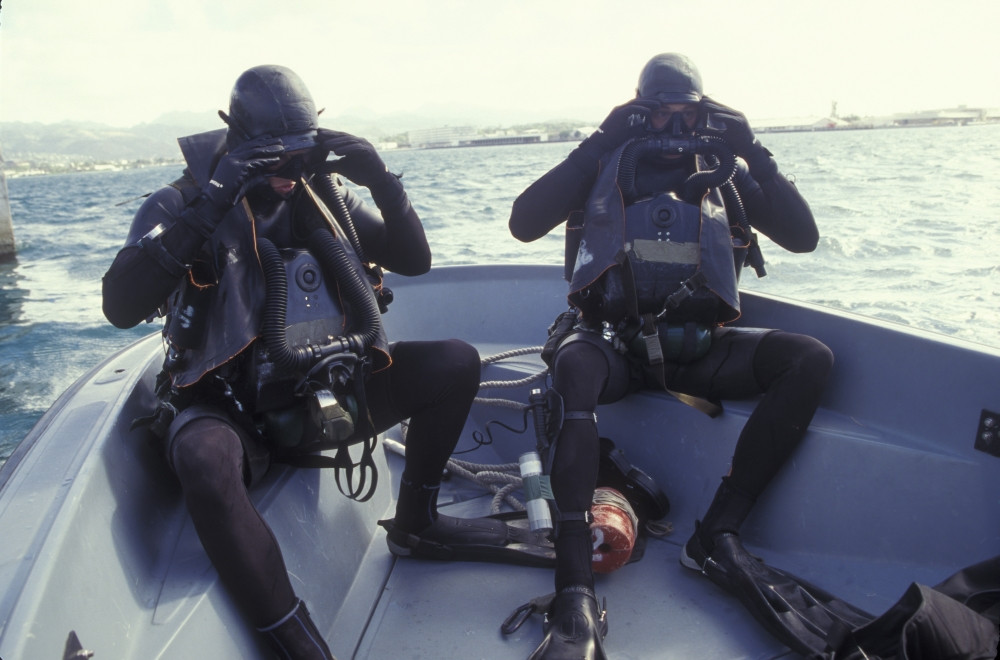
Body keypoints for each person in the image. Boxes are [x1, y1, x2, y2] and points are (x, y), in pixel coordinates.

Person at [102, 65, 504, 659]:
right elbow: (120, 305)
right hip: (233, 412)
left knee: (454, 364)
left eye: (300, 155)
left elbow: (415, 259)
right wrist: (213, 203)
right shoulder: (182, 201)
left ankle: (418, 522)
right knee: (201, 457)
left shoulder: (323, 196)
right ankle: (293, 635)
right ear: (234, 137)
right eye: (273, 159)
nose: (289, 175)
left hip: (325, 394)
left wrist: (380, 178)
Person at [508, 53, 834, 659]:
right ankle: (574, 588)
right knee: (573, 366)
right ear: (639, 113)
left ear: (705, 117)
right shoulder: (604, 165)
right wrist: (601, 139)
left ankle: (716, 534)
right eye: (658, 116)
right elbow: (523, 223)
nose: (673, 129)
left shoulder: (724, 172)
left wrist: (753, 148)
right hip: (614, 350)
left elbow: (803, 237)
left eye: (688, 116)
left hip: (700, 350)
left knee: (808, 359)